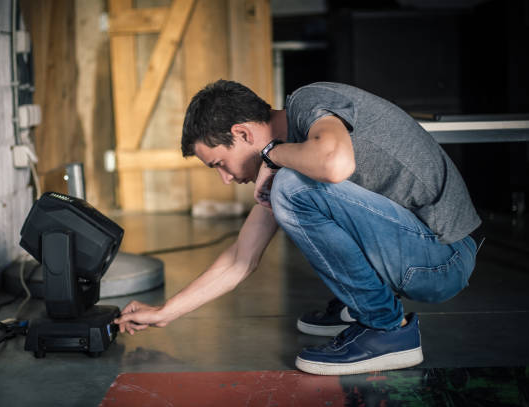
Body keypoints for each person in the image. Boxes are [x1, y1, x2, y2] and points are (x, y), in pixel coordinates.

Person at [114, 80, 481, 375]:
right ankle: (360, 303)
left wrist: (272, 154)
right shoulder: (293, 154)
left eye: (219, 164)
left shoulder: (308, 103)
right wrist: (165, 312)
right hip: (426, 251)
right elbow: (242, 258)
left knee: (291, 186)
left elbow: (334, 164)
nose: (225, 179)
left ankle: (386, 329)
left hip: (443, 258)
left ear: (242, 134)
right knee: (289, 185)